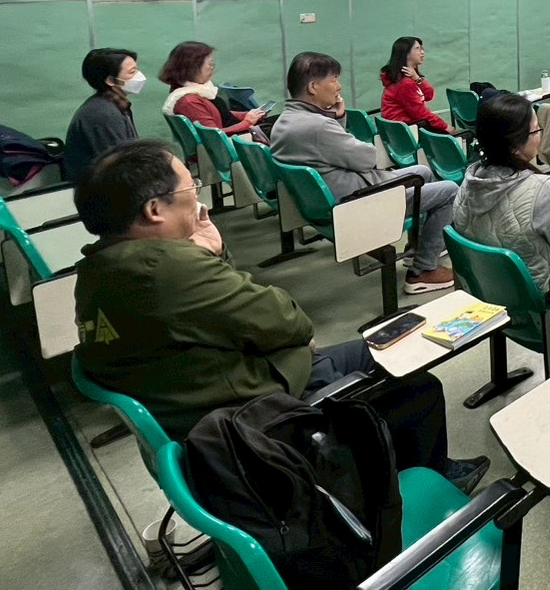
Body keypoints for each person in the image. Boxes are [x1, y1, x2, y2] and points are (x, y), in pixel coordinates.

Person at [72, 140, 488, 492]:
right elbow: (290, 321)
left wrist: (214, 254)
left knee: (382, 346)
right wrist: (212, 258)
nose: (198, 199)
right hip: (260, 415)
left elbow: (235, 318)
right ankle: (424, 485)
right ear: (154, 210)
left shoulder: (97, 269)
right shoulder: (169, 268)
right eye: (190, 189)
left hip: (220, 399)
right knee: (417, 384)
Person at [270, 52, 459, 293]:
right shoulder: (317, 126)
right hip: (358, 201)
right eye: (334, 80)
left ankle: (417, 249)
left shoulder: (284, 121)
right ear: (313, 87)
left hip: (332, 197)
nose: (339, 87)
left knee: (422, 172)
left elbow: (331, 151)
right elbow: (368, 158)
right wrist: (338, 124)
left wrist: (338, 119)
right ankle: (422, 270)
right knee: (450, 190)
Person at [451, 93, 550, 291]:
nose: (540, 136)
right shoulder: (544, 191)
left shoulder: (467, 184)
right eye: (536, 130)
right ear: (515, 145)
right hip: (540, 302)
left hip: (484, 294)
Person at [64, 48, 143, 181]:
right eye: (132, 72)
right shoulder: (102, 114)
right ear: (110, 80)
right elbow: (119, 167)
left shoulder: (114, 104)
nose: (139, 76)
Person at [158, 41, 266, 136]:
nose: (212, 68)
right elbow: (214, 136)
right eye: (210, 64)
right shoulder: (189, 102)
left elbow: (219, 113)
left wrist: (247, 115)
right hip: (234, 140)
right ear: (192, 68)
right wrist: (247, 122)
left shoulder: (196, 89)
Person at [379, 37, 450, 134]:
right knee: (456, 136)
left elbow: (429, 95)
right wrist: (445, 126)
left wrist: (417, 78)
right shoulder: (405, 84)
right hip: (406, 131)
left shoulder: (409, 78)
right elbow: (420, 114)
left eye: (422, 48)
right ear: (406, 54)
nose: (422, 52)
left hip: (403, 128)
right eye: (418, 48)